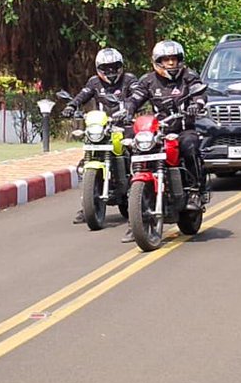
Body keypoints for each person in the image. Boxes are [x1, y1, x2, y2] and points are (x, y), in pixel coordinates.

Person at [122, 40, 208, 241]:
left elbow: (200, 93)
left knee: (190, 145)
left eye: (174, 59)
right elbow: (136, 97)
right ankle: (134, 217)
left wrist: (197, 104)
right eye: (166, 59)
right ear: (157, 61)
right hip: (157, 132)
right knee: (130, 146)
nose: (170, 63)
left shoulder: (189, 76)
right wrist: (127, 110)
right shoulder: (148, 80)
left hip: (182, 129)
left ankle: (195, 191)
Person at [63, 48, 138, 226]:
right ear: (99, 68)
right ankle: (87, 205)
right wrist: (71, 106)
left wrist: (129, 109)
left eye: (114, 67)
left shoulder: (129, 80)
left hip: (124, 126)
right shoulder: (94, 82)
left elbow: (137, 95)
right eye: (106, 68)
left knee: (135, 152)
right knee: (87, 158)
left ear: (120, 66)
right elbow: (83, 95)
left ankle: (137, 191)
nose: (111, 71)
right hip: (102, 127)